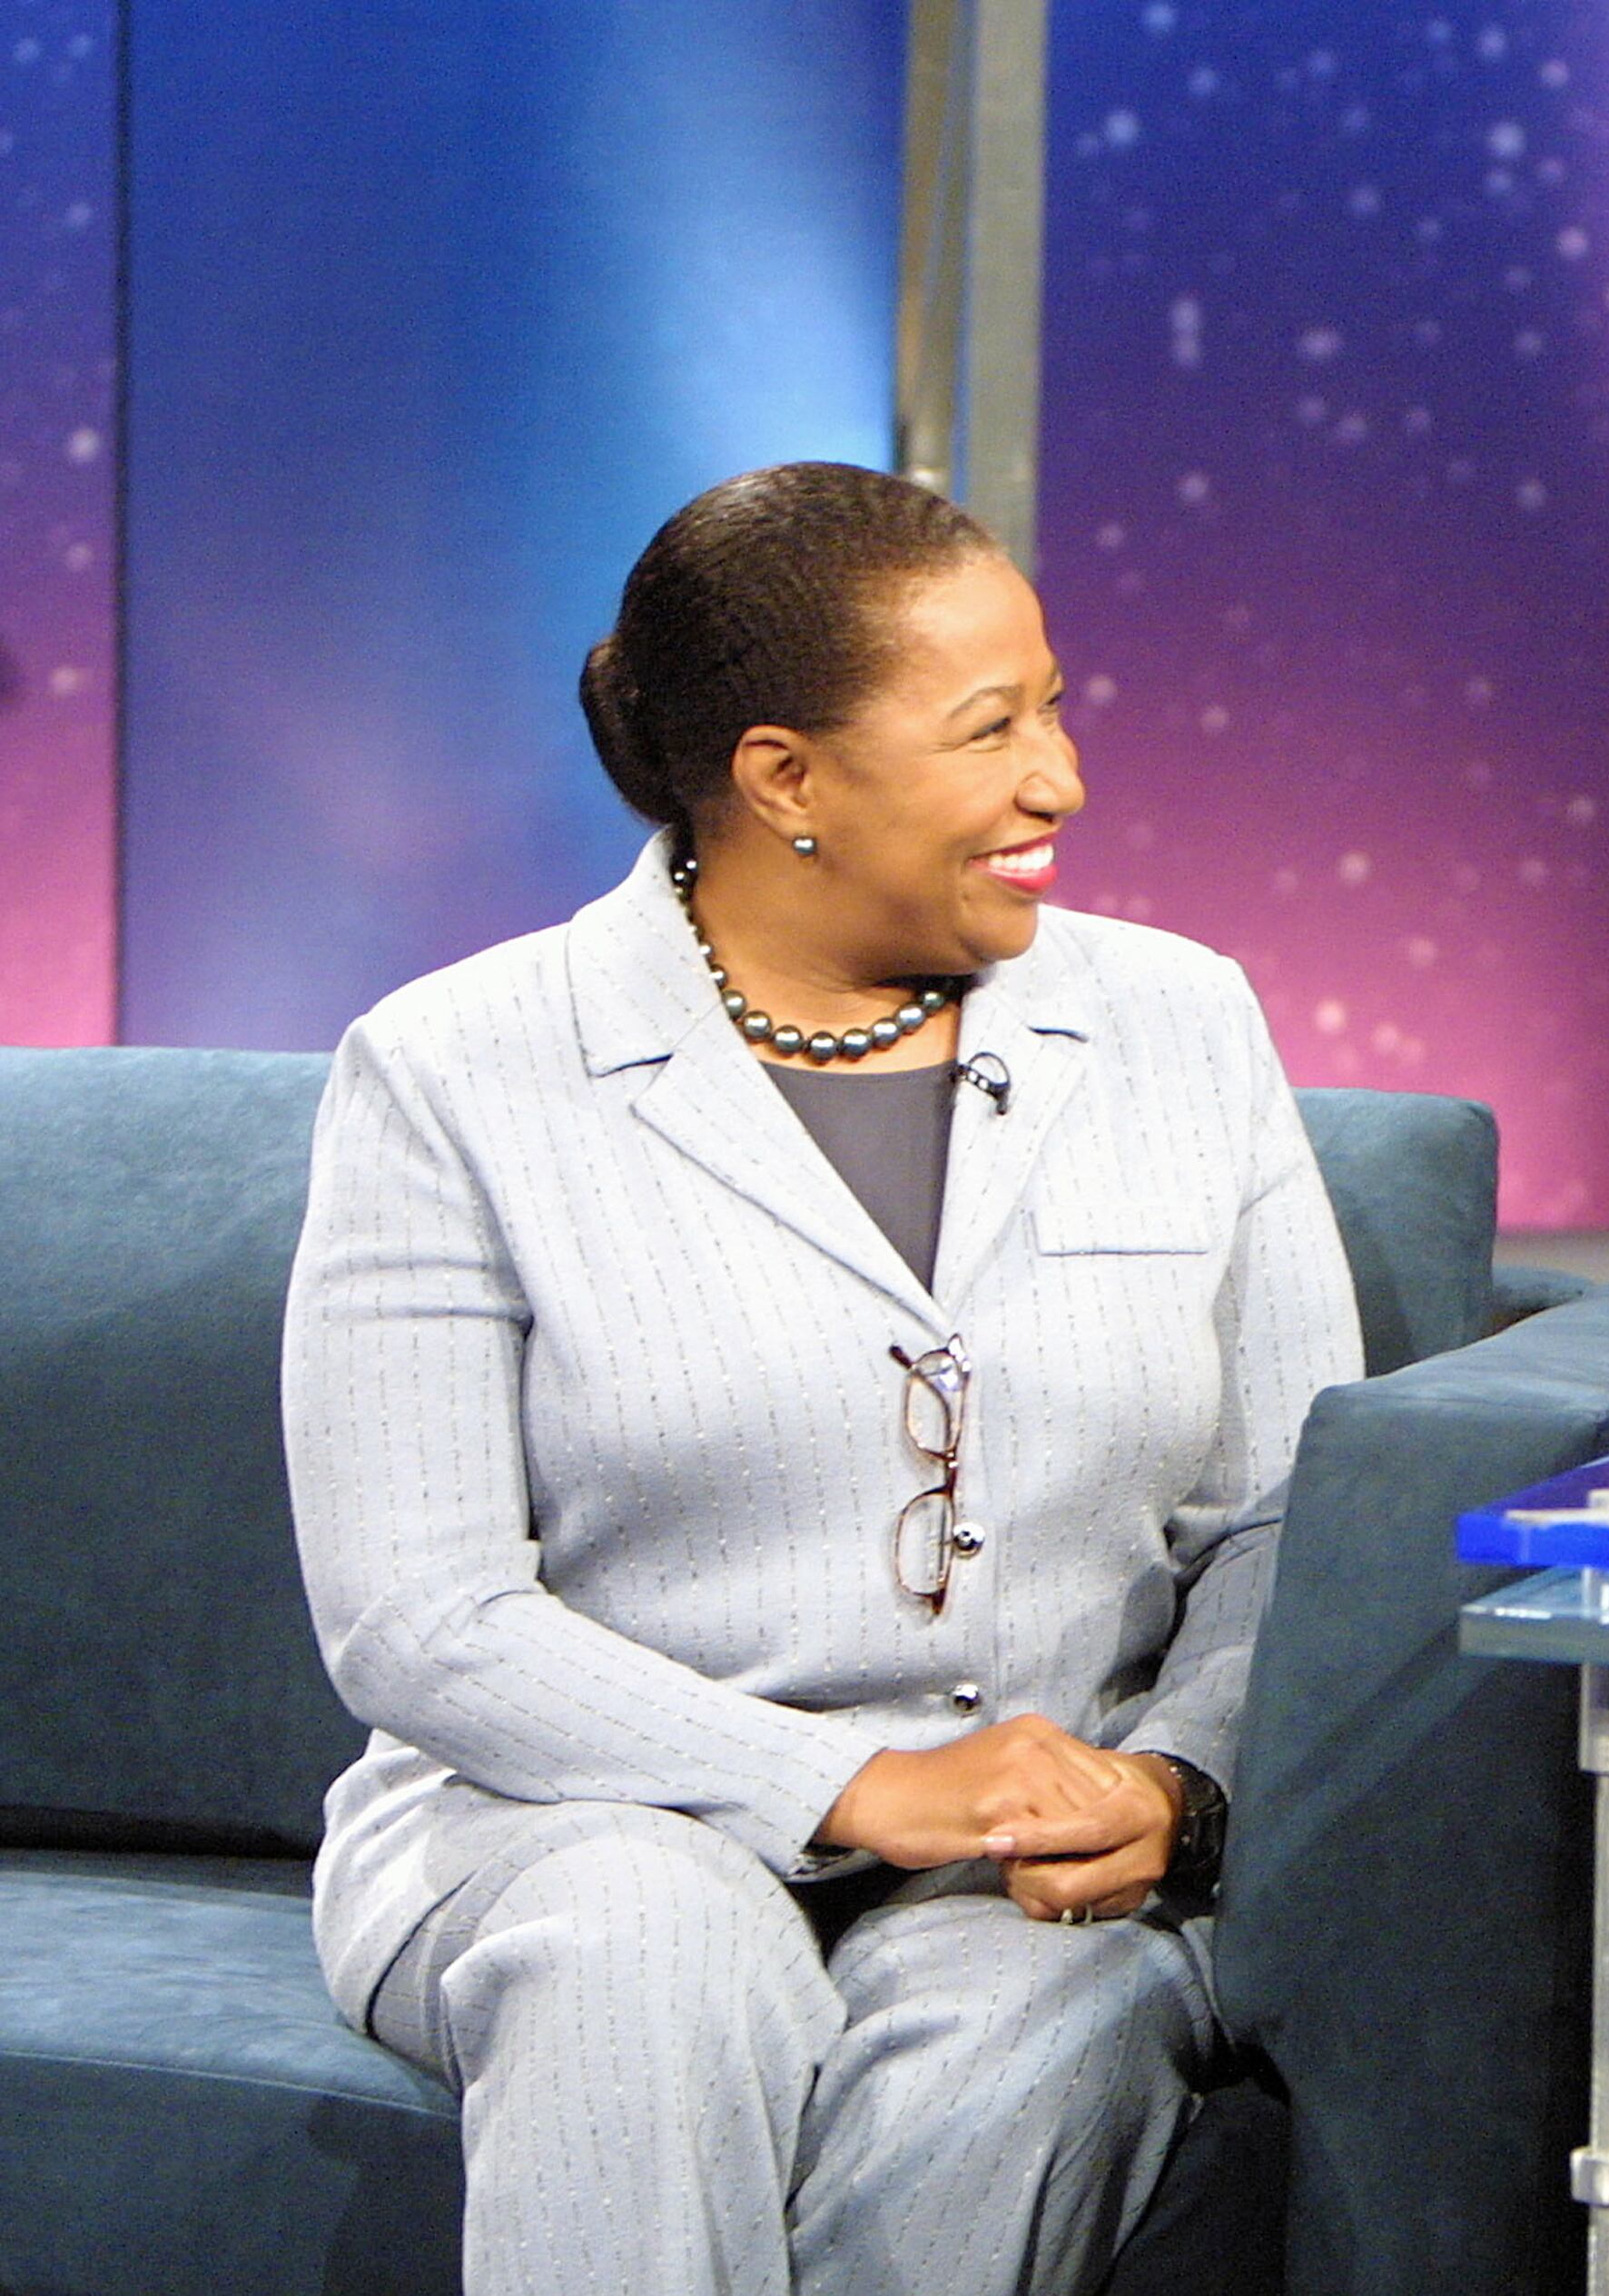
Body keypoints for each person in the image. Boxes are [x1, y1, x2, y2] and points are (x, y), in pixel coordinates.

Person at [286, 461, 1363, 2295]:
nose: (1062, 779)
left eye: (1056, 705)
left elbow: (1293, 1520)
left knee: (1007, 2049)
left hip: (1034, 1855)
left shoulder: (1182, 1026)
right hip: (568, 1824)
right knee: (645, 1949)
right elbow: (420, 1615)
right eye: (990, 727)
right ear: (785, 776)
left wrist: (1180, 1780)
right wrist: (851, 1777)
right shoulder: (455, 1069)